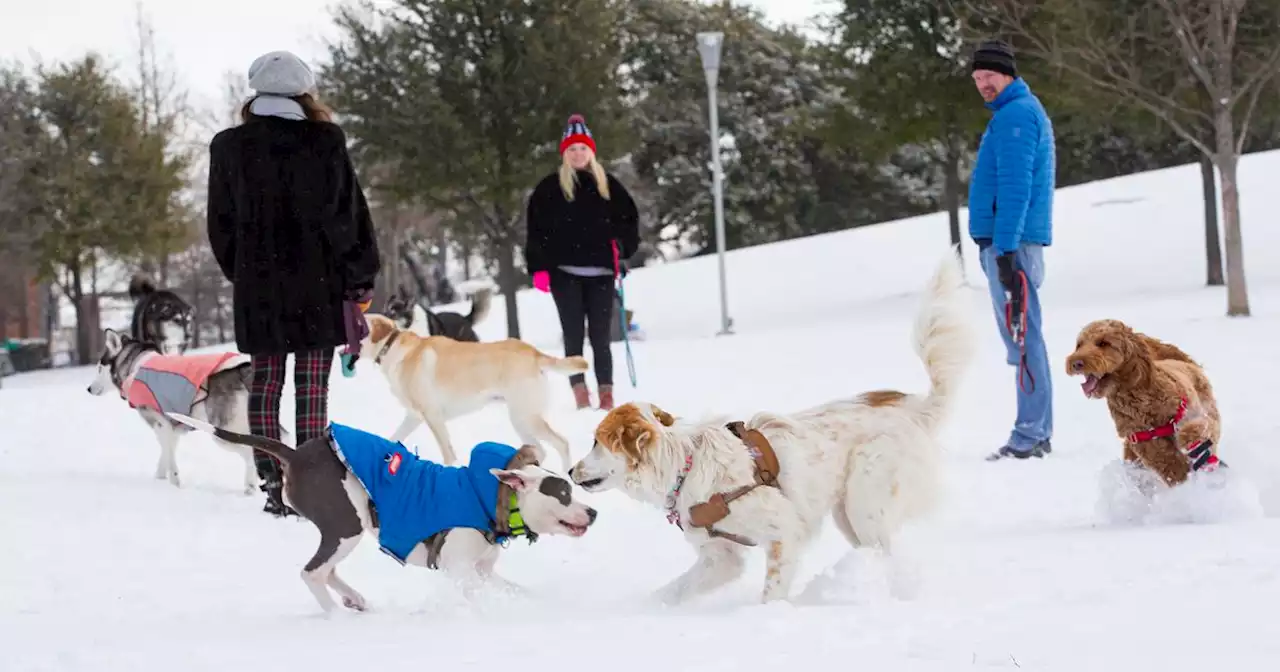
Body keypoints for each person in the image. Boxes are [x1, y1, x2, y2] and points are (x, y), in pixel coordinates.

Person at [206, 50, 381, 515]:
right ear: (305, 92)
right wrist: (359, 275)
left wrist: (240, 270)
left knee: (264, 385)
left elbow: (219, 224)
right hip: (316, 283)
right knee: (311, 388)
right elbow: (348, 216)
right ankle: (309, 483)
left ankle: (272, 482)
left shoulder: (228, 146)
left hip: (257, 287)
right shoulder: (323, 141)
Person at [966, 39, 1057, 461]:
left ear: (1008, 74)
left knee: (1024, 338)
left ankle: (1030, 434)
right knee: (1024, 336)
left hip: (1012, 244)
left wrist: (1003, 251)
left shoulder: (1017, 116)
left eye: (989, 76)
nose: (983, 84)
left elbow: (1016, 189)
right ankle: (1036, 430)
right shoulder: (1011, 113)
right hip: (1009, 242)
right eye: (977, 78)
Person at [525, 113, 640, 411]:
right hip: (564, 274)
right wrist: (538, 267)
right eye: (573, 149)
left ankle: (605, 395)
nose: (578, 154)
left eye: (583, 149)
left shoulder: (609, 186)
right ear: (565, 153)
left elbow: (629, 221)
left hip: (601, 272)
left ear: (592, 151)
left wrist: (623, 248)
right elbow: (536, 230)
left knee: (601, 336)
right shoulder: (549, 188)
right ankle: (579, 393)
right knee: (573, 334)